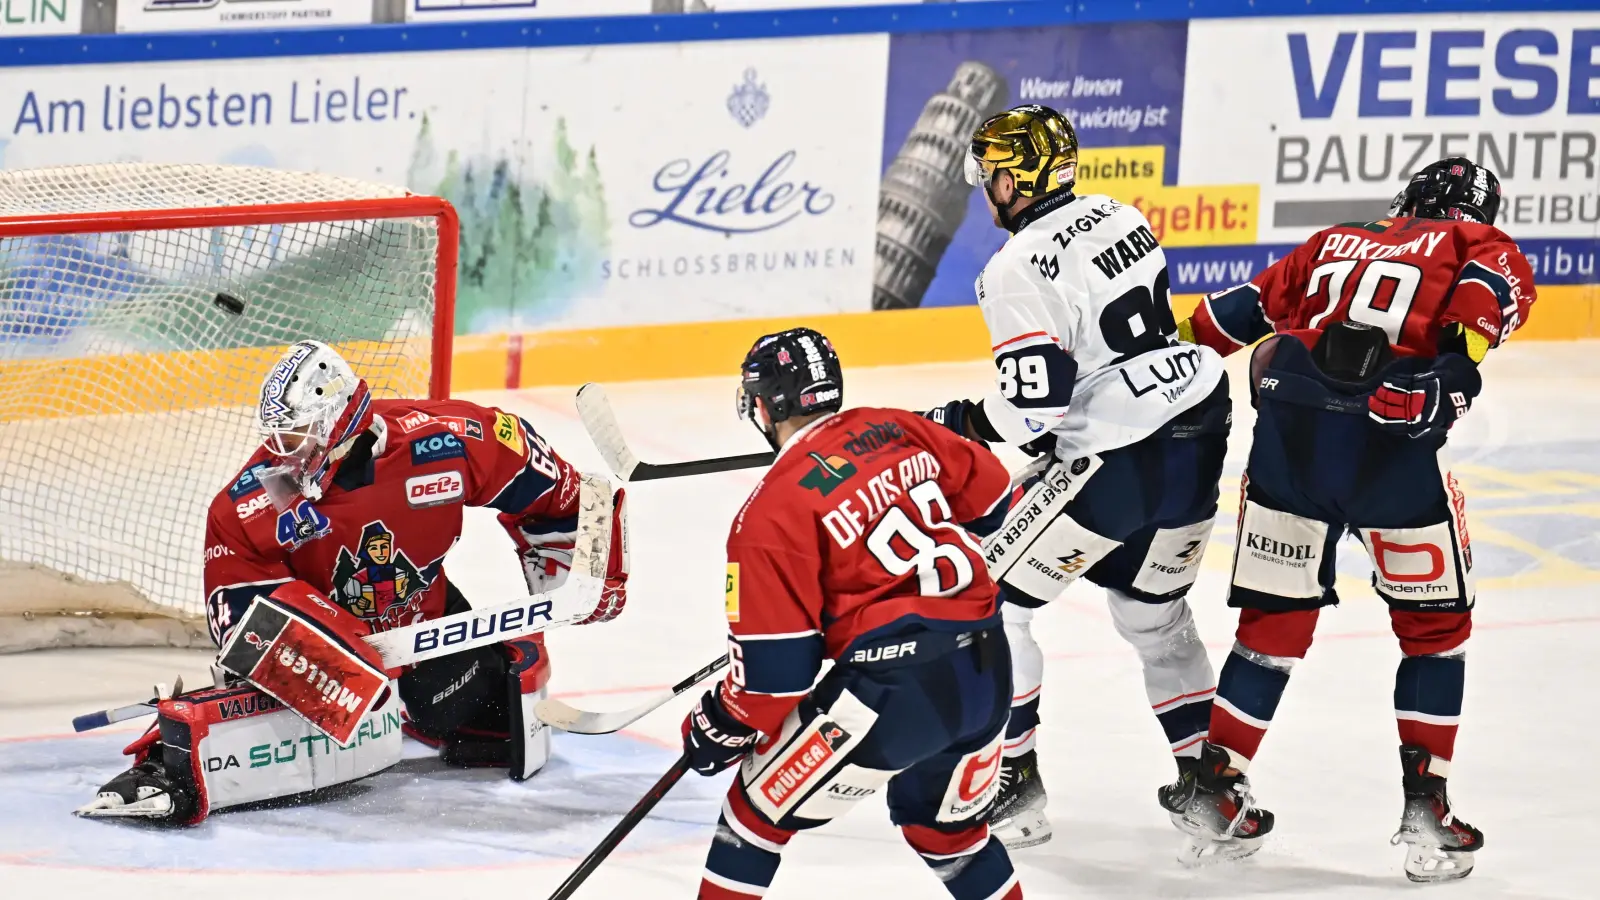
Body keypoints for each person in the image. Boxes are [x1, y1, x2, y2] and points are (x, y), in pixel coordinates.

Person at [77, 339, 630, 823]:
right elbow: (240, 616)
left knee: (484, 720)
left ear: (342, 421)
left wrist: (585, 559)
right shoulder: (247, 505)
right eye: (279, 437)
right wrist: (329, 659)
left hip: (425, 624)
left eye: (300, 435)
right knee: (293, 740)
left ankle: (430, 700)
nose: (285, 453)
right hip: (330, 644)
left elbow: (567, 497)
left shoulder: (457, 439)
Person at [1166, 157, 1534, 879]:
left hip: (1289, 433)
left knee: (1273, 623)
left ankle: (1216, 788)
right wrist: (1442, 392)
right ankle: (1427, 808)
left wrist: (1158, 347)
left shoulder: (1337, 238)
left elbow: (1232, 316)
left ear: (1412, 199)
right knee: (1435, 631)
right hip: (1387, 439)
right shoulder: (1483, 246)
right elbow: (1465, 351)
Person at [919, 104, 1232, 850]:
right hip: (1199, 426)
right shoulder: (1120, 214)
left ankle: (1014, 783)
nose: (984, 189)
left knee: (989, 599)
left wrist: (960, 420)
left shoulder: (1015, 265)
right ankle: (1216, 792)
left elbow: (1035, 407)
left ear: (1013, 178)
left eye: (991, 175)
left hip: (1119, 454)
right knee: (1156, 620)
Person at [681, 327, 1022, 900]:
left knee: (752, 819)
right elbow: (993, 504)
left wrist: (721, 720)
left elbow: (775, 679)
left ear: (767, 406)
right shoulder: (900, 425)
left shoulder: (768, 512)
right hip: (988, 669)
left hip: (894, 691)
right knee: (949, 836)